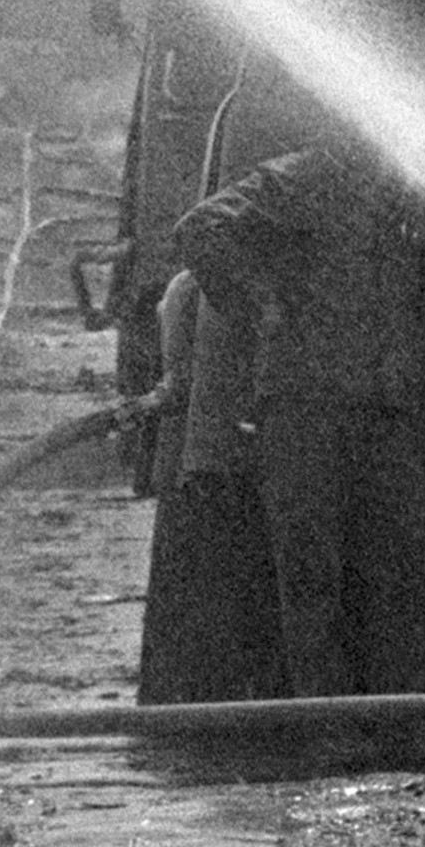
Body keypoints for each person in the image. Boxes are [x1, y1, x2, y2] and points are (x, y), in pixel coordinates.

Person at [174, 135, 425, 708]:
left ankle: (404, 723)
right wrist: (263, 304)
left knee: (408, 573)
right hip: (304, 411)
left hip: (382, 413)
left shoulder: (405, 193)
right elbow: (201, 228)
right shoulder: (303, 178)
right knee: (310, 577)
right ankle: (329, 730)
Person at [134, 259, 281, 705]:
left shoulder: (184, 288)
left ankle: (182, 701)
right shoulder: (197, 292)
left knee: (189, 602)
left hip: (194, 473)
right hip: (220, 470)